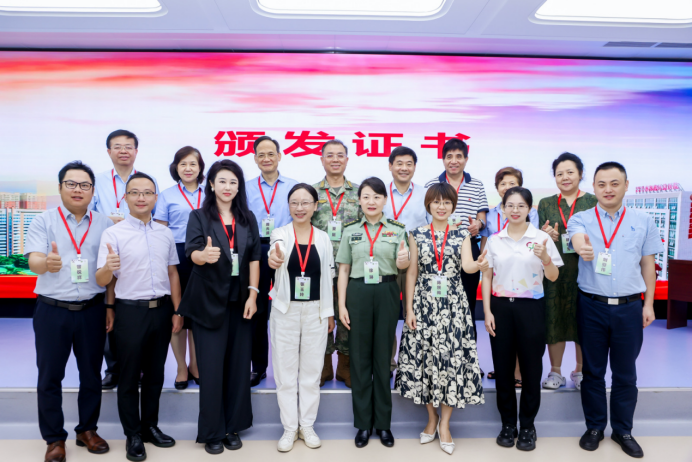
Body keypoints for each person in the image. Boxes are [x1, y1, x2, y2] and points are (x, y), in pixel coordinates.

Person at [569, 162, 662, 458]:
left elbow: (648, 264)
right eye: (601, 184)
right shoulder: (582, 218)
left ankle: (623, 430)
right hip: (591, 306)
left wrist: (649, 304)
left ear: (626, 185)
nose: (607, 189)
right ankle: (595, 428)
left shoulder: (643, 220)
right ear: (594, 187)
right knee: (592, 371)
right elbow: (576, 237)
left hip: (629, 307)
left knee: (625, 374)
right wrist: (582, 247)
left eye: (614, 183)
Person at [26, 161, 113, 462]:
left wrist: (109, 306)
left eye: (84, 185)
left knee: (91, 374)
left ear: (92, 190)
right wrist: (45, 263)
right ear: (60, 187)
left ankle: (87, 430)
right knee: (50, 375)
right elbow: (34, 261)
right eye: (71, 184)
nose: (78, 190)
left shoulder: (105, 224)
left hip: (92, 309)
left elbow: (109, 271)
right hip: (53, 310)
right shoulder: (44, 220)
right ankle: (54, 439)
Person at [96, 172, 182, 462]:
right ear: (126, 198)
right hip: (129, 311)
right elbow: (103, 279)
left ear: (156, 197)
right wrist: (108, 269)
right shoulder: (114, 234)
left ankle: (150, 427)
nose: (141, 197)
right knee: (130, 376)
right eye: (135, 192)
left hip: (162, 310)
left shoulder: (165, 233)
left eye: (147, 192)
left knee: (156, 374)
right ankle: (132, 434)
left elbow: (172, 273)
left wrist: (177, 310)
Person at [177, 160, 261, 455]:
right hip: (208, 302)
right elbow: (191, 252)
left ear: (239, 187)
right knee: (211, 369)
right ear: (211, 184)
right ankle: (212, 430)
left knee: (238, 367)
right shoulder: (199, 216)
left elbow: (254, 258)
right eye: (222, 181)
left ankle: (233, 426)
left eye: (233, 182)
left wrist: (253, 295)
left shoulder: (247, 217)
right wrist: (203, 255)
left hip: (241, 302)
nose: (228, 187)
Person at [396, 183, 486, 455]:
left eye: (446, 202)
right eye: (436, 202)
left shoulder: (462, 234)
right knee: (425, 359)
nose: (441, 206)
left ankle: (445, 423)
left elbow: (467, 267)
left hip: (453, 305)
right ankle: (431, 418)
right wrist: (409, 309)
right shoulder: (416, 234)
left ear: (453, 206)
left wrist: (479, 264)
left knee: (450, 361)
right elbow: (412, 272)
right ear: (429, 205)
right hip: (423, 304)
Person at [482, 187, 563, 452]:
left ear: (529, 209)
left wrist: (546, 258)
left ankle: (527, 426)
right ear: (503, 208)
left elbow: (553, 276)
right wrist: (487, 312)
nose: (515, 210)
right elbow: (487, 276)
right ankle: (508, 425)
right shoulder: (495, 240)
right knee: (503, 369)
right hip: (500, 308)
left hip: (531, 308)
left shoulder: (541, 238)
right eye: (510, 205)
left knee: (531, 369)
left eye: (521, 205)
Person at [336, 177, 410, 448]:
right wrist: (342, 305)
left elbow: (404, 267)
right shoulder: (350, 231)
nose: (371, 202)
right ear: (359, 200)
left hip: (387, 290)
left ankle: (383, 424)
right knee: (359, 359)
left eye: (377, 197)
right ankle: (363, 424)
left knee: (382, 358)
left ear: (384, 200)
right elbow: (344, 270)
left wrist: (404, 262)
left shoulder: (397, 230)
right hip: (357, 292)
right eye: (366, 196)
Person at [266, 184, 335, 452]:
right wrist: (275, 258)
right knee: (285, 374)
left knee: (311, 372)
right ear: (289, 206)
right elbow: (275, 253)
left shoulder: (324, 238)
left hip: (316, 310)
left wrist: (329, 313)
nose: (300, 208)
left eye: (306, 202)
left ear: (315, 206)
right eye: (294, 202)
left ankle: (307, 425)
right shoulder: (281, 233)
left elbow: (329, 277)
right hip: (286, 310)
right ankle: (289, 428)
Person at [91, 129, 159, 390]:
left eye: (128, 146)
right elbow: (90, 212)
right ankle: (114, 368)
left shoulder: (147, 181)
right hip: (108, 245)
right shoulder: (97, 181)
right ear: (109, 151)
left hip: (138, 248)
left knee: (133, 309)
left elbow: (152, 213)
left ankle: (138, 367)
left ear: (136, 151)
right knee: (110, 308)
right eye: (117, 146)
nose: (123, 151)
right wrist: (111, 222)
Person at [537, 153, 597, 391]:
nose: (565, 177)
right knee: (555, 320)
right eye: (559, 173)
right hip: (555, 271)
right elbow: (540, 236)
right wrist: (547, 235)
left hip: (586, 271)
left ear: (580, 174)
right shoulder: (546, 203)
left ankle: (580, 371)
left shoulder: (593, 201)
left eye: (570, 172)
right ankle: (555, 371)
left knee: (584, 323)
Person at [245, 136, 299, 387]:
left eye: (271, 154)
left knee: (289, 307)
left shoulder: (293, 186)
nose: (266, 158)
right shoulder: (245, 188)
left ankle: (291, 366)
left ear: (279, 156)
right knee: (256, 309)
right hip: (255, 249)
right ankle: (258, 367)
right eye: (261, 154)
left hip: (286, 248)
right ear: (255, 158)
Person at [425, 138, 488, 350]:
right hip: (439, 250)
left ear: (466, 159)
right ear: (443, 159)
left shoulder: (476, 185)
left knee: (467, 303)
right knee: (440, 303)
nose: (454, 161)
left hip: (468, 247)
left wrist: (478, 225)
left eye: (459, 156)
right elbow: (428, 218)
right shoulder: (431, 184)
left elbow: (482, 217)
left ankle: (469, 358)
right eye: (449, 156)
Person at [481, 167, 539, 386]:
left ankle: (517, 371)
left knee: (522, 333)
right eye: (503, 184)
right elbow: (486, 241)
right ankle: (503, 369)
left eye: (512, 183)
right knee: (501, 332)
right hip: (499, 275)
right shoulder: (490, 214)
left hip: (524, 279)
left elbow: (534, 238)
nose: (507, 187)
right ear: (497, 188)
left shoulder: (529, 212)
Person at [154, 146, 206, 389]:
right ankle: (181, 367)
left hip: (204, 255)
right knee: (177, 312)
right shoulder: (166, 195)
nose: (188, 168)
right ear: (176, 168)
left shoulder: (211, 193)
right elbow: (160, 230)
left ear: (200, 167)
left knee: (197, 314)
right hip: (176, 254)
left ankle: (195, 365)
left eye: (193, 164)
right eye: (183, 164)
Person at [311, 140, 362, 388]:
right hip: (317, 266)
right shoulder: (311, 192)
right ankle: (323, 366)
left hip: (350, 267)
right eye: (329, 155)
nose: (335, 159)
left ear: (347, 160)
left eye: (340, 155)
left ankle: (344, 366)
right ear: (322, 160)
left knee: (347, 315)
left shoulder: (359, 192)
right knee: (320, 315)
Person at [383, 146, 430, 375]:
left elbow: (434, 226)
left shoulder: (425, 194)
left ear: (414, 167)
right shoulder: (379, 193)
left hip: (416, 264)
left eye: (409, 164)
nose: (404, 168)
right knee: (388, 316)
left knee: (415, 314)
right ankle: (388, 363)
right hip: (385, 262)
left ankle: (413, 363)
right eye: (399, 163)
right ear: (390, 166)